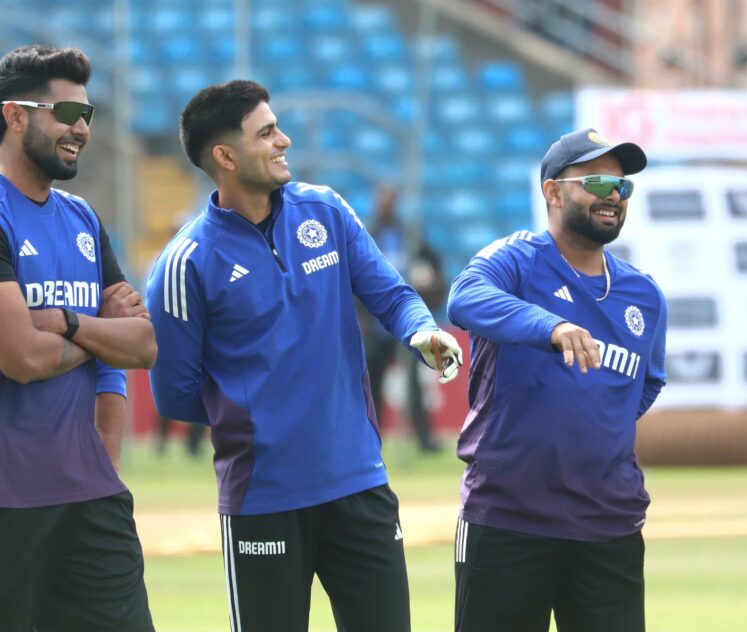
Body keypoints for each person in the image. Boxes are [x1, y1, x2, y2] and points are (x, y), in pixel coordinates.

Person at [146, 80, 463, 632]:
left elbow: (392, 295)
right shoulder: (185, 262)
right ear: (225, 156)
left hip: (359, 484)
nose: (283, 140)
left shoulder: (327, 211)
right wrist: (262, 416)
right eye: (266, 133)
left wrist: (420, 332)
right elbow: (174, 392)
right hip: (262, 498)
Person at [447, 128, 667, 632]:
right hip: (507, 521)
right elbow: (464, 298)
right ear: (552, 191)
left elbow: (645, 385)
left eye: (622, 186)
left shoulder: (644, 294)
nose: (612, 194)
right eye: (595, 181)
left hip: (608, 527)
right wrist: (551, 326)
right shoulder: (518, 260)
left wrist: (588, 419)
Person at [0, 45, 156, 631]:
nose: (82, 128)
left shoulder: (84, 218)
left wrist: (68, 323)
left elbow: (142, 347)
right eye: (67, 113)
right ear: (16, 115)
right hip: (8, 502)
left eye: (88, 115)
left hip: (91, 497)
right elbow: (20, 357)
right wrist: (103, 331)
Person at [363, 185, 445, 452]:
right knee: (370, 386)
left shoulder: (409, 236)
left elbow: (433, 265)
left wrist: (431, 280)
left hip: (403, 325)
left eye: (390, 201)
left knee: (413, 386)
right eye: (381, 201)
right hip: (374, 327)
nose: (385, 206)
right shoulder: (366, 234)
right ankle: (370, 440)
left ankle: (424, 441)